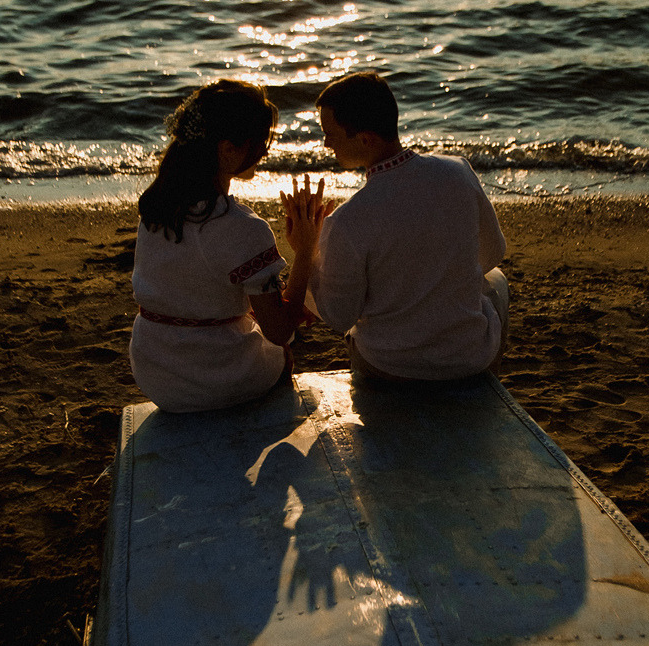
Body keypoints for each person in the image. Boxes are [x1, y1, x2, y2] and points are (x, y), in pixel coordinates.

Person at [130, 80, 329, 414]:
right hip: (214, 379)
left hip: (155, 373)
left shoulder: (158, 207)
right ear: (227, 149)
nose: (263, 153)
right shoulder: (244, 228)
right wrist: (305, 250)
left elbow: (194, 284)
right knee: (283, 354)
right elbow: (278, 331)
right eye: (257, 144)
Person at [310, 70, 508, 381]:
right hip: (468, 359)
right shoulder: (457, 171)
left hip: (389, 367)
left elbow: (339, 316)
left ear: (365, 139)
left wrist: (310, 253)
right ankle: (487, 383)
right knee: (497, 283)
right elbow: (493, 254)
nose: (325, 144)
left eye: (331, 134)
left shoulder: (349, 219)